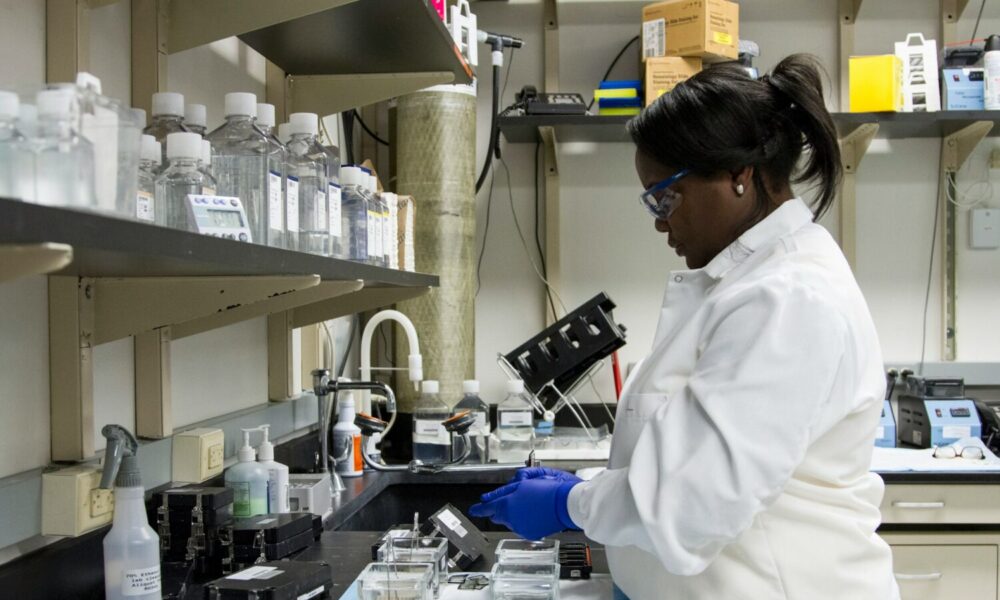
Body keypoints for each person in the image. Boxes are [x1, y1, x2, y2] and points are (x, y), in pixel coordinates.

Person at [469, 54, 899, 599]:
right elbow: (692, 456)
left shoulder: (787, 299)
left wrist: (571, 503)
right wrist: (593, 490)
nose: (658, 220)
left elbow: (687, 504)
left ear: (738, 175)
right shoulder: (750, 284)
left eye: (664, 195)